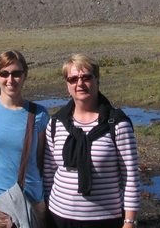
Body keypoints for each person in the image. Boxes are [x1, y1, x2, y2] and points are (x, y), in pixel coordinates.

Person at [43, 54, 140, 228]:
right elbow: (49, 174)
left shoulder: (117, 124)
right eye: (73, 79)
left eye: (86, 77)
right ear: (67, 85)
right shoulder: (56, 123)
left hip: (105, 219)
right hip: (59, 217)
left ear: (97, 79)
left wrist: (130, 221)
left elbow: (131, 178)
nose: (80, 83)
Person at [0, 50, 50, 227]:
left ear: (25, 75)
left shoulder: (39, 114)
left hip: (31, 203)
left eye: (16, 73)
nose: (10, 79)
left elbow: (40, 162)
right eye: (4, 74)